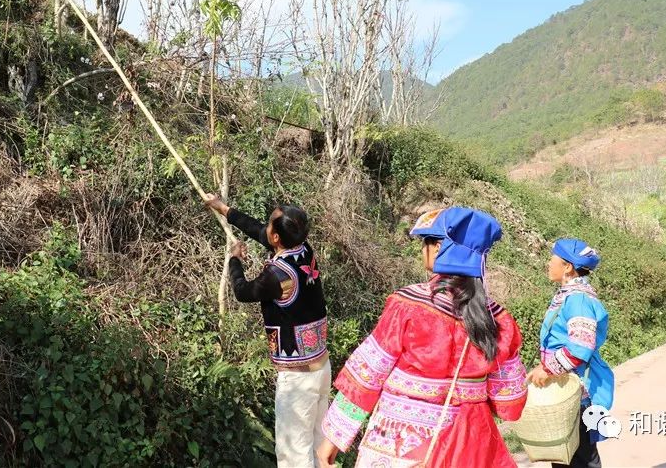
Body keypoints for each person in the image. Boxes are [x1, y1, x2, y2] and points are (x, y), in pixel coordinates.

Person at [316, 207, 528, 468]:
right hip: (471, 443)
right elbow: (510, 401)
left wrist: (335, 437)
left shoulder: (409, 306)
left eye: (425, 243)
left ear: (439, 248)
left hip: (404, 442)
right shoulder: (498, 319)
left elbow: (368, 373)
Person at [205, 193, 330, 467]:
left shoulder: (277, 275)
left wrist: (234, 260)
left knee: (293, 453)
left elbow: (242, 291)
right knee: (320, 446)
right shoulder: (303, 249)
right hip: (321, 366)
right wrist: (224, 209)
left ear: (276, 238)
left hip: (298, 377)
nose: (266, 227)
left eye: (270, 224)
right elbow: (259, 232)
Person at [526, 238, 614, 468]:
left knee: (581, 458)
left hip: (578, 393)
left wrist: (547, 369)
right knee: (565, 458)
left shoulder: (579, 299)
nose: (548, 263)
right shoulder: (570, 295)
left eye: (552, 259)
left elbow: (580, 347)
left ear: (567, 267)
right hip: (567, 388)